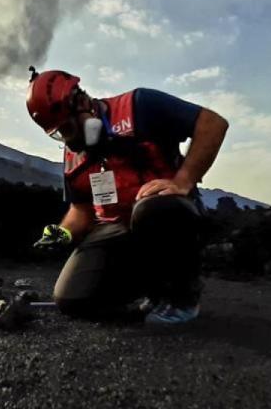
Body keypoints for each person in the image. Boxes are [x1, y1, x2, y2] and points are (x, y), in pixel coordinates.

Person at [26, 67, 229, 324]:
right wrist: (62, 233)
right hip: (116, 229)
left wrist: (183, 180)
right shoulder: (73, 157)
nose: (69, 140)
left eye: (67, 127)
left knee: (154, 211)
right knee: (71, 300)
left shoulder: (140, 105)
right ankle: (146, 291)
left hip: (166, 214)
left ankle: (180, 299)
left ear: (82, 102)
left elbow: (213, 124)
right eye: (59, 133)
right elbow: (81, 211)